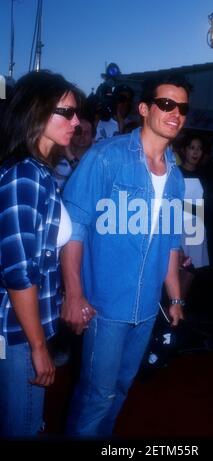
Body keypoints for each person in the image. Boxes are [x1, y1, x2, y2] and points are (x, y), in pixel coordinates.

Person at [61, 73, 191, 437]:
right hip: (105, 305)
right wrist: (74, 294)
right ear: (145, 109)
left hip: (147, 307)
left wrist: (175, 296)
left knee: (120, 389)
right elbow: (74, 228)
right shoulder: (106, 157)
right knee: (96, 395)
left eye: (182, 108)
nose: (175, 113)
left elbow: (169, 242)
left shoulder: (176, 176)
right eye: (166, 104)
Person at [0, 70, 82, 437]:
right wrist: (37, 347)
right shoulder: (25, 176)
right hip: (17, 333)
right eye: (66, 112)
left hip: (26, 327)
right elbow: (18, 272)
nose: (76, 121)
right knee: (26, 427)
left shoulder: (41, 173)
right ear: (36, 112)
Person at [178, 134, 209, 299]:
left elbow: (205, 205)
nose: (196, 152)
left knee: (191, 270)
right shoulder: (175, 173)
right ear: (184, 151)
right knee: (174, 269)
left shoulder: (205, 175)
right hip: (176, 227)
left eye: (199, 148)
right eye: (192, 148)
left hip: (196, 227)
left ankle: (178, 309)